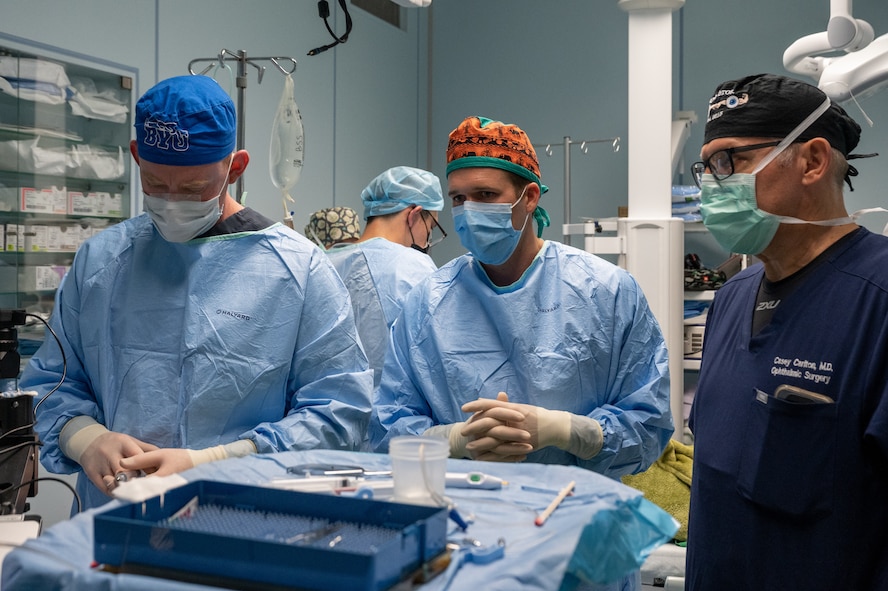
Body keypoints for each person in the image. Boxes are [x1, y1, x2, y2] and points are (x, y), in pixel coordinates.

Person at [21, 75, 373, 512]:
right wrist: (86, 438)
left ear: (235, 167)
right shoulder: (101, 262)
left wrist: (214, 460)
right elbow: (51, 383)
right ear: (135, 157)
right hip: (116, 516)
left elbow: (338, 412)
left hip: (245, 514)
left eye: (192, 189)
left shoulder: (298, 269)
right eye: (155, 183)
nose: (172, 203)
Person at [370, 116, 672, 478]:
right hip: (463, 513)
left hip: (574, 513)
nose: (468, 211)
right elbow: (388, 430)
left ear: (529, 197)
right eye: (458, 199)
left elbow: (649, 424)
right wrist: (452, 440)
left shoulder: (607, 292)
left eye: (485, 195)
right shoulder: (427, 303)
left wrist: (566, 432)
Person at [686, 74, 888, 589]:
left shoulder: (877, 299)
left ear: (813, 161)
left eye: (730, 161)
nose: (713, 183)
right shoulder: (730, 298)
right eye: (706, 167)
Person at [326, 166, 445, 388]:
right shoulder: (414, 266)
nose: (427, 240)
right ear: (415, 214)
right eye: (431, 227)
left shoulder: (323, 262)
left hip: (327, 416)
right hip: (394, 418)